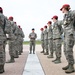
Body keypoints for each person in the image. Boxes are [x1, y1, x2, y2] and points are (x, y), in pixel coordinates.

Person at [60, 4, 75, 73]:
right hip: (66, 35)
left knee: (69, 50)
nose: (61, 10)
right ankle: (69, 64)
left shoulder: (72, 13)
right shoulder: (65, 16)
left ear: (65, 8)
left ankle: (71, 66)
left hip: (70, 34)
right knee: (65, 50)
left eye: (62, 8)